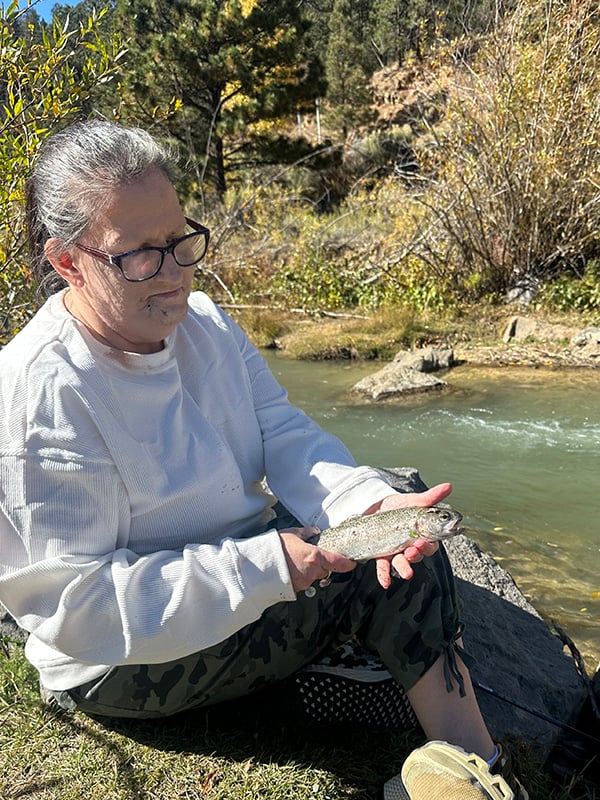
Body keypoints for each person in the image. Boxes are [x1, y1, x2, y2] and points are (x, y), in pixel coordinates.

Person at [0, 119, 527, 800]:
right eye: (141, 255)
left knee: (402, 503)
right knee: (372, 579)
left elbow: (280, 431)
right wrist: (269, 565)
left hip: (234, 563)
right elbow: (80, 607)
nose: (176, 273)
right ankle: (475, 768)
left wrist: (366, 505)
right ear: (68, 262)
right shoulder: (39, 390)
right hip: (116, 663)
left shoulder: (207, 323)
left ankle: (451, 762)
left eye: (180, 241)